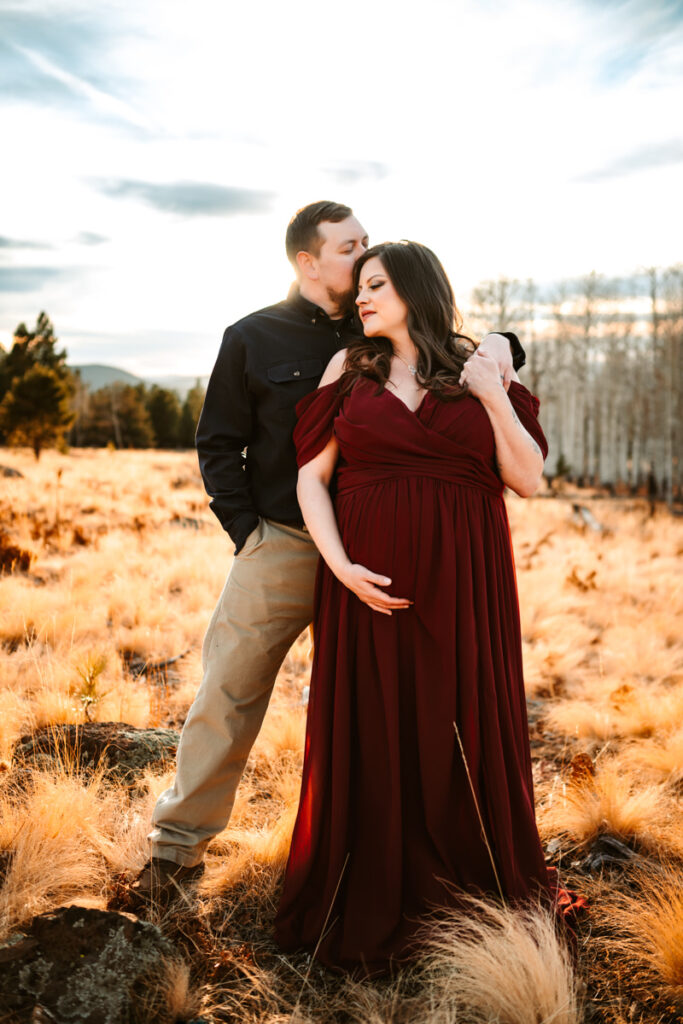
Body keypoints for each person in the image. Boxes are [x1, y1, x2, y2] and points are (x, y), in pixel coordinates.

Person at [132, 205, 526, 903]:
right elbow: (220, 441)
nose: (364, 260)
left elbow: (451, 339)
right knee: (231, 688)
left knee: (393, 706)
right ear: (307, 263)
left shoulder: (378, 322)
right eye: (350, 249)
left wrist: (502, 339)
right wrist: (247, 532)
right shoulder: (252, 336)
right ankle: (176, 849)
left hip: (392, 550)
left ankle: (384, 862)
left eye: (368, 248)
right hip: (287, 543)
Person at [273, 240, 586, 975]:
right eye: (359, 287)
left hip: (466, 583)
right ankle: (374, 879)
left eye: (376, 285)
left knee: (461, 717)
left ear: (415, 287)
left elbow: (528, 478)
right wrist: (340, 566)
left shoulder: (481, 363)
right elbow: (310, 479)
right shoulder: (349, 369)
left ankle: (472, 887)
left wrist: (488, 393)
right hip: (367, 583)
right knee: (378, 719)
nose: (361, 298)